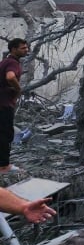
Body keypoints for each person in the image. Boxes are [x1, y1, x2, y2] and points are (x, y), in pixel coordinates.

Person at [0, 38, 29, 173]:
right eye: (23, 48)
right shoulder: (12, 63)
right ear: (13, 49)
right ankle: (3, 166)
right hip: (4, 105)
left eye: (26, 47)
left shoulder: (4, 61)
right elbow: (10, 77)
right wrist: (18, 89)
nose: (26, 50)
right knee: (5, 134)